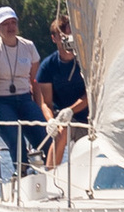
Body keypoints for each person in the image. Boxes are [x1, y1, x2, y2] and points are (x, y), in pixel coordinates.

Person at [0, 5, 44, 172]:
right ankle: (21, 173)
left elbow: (35, 82)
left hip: (24, 99)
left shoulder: (28, 46)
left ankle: (48, 174)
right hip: (2, 102)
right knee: (17, 142)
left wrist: (40, 108)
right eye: (6, 24)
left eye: (13, 22)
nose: (10, 27)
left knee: (46, 138)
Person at [35, 10, 90, 165]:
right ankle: (50, 175)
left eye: (70, 37)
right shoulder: (48, 66)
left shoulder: (84, 62)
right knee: (61, 131)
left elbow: (90, 95)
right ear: (54, 39)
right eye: (63, 37)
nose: (67, 42)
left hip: (87, 116)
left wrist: (72, 109)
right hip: (63, 118)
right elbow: (46, 102)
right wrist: (50, 120)